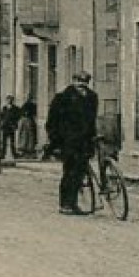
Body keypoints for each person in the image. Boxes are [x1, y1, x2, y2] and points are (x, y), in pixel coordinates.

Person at [45, 72, 99, 215]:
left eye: (85, 82)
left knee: (80, 172)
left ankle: (73, 203)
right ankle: (65, 204)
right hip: (67, 142)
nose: (82, 85)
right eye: (79, 82)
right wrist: (55, 142)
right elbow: (52, 122)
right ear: (73, 81)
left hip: (85, 141)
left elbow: (92, 120)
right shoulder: (62, 98)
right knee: (69, 172)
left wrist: (93, 137)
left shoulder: (92, 97)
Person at [0, 95, 22, 162]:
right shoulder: (4, 108)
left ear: (12, 101)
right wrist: (2, 123)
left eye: (10, 100)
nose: (9, 101)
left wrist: (14, 123)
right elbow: (1, 116)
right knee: (4, 141)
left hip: (11, 126)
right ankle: (3, 154)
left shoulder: (16, 108)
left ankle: (14, 154)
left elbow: (18, 116)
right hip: (5, 126)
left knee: (12, 141)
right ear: (6, 100)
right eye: (8, 99)